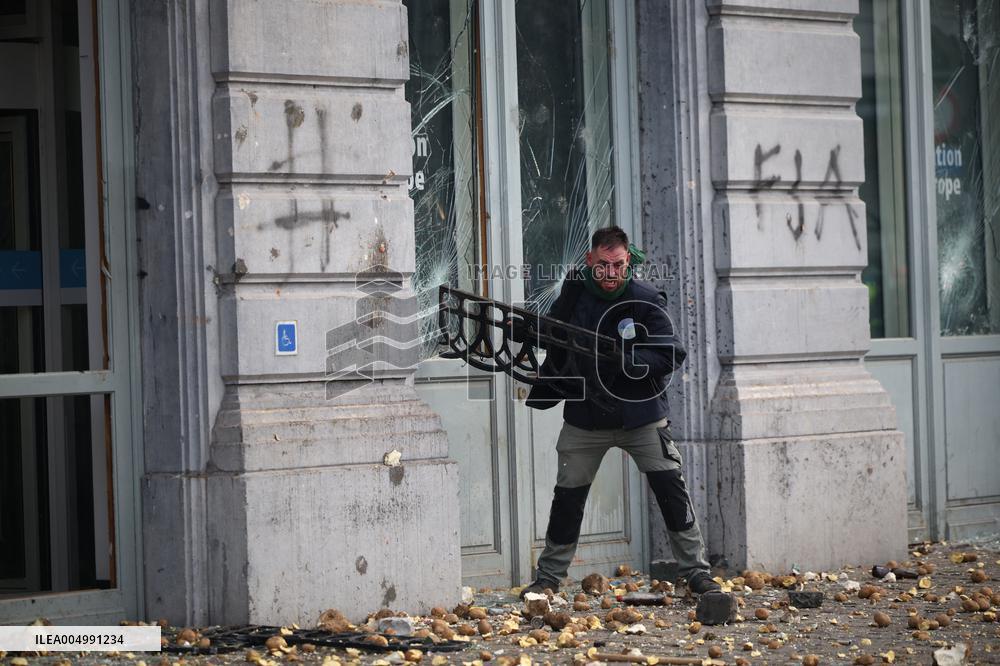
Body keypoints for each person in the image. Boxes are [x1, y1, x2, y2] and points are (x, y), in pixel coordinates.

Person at [519, 226, 720, 597]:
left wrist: (627, 361)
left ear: (628, 262)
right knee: (567, 497)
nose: (611, 274)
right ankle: (548, 578)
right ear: (589, 260)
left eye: (618, 266)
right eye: (603, 265)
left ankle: (696, 572)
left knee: (671, 490)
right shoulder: (575, 291)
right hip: (585, 414)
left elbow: (671, 352)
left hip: (639, 415)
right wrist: (531, 333)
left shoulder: (645, 298)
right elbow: (556, 334)